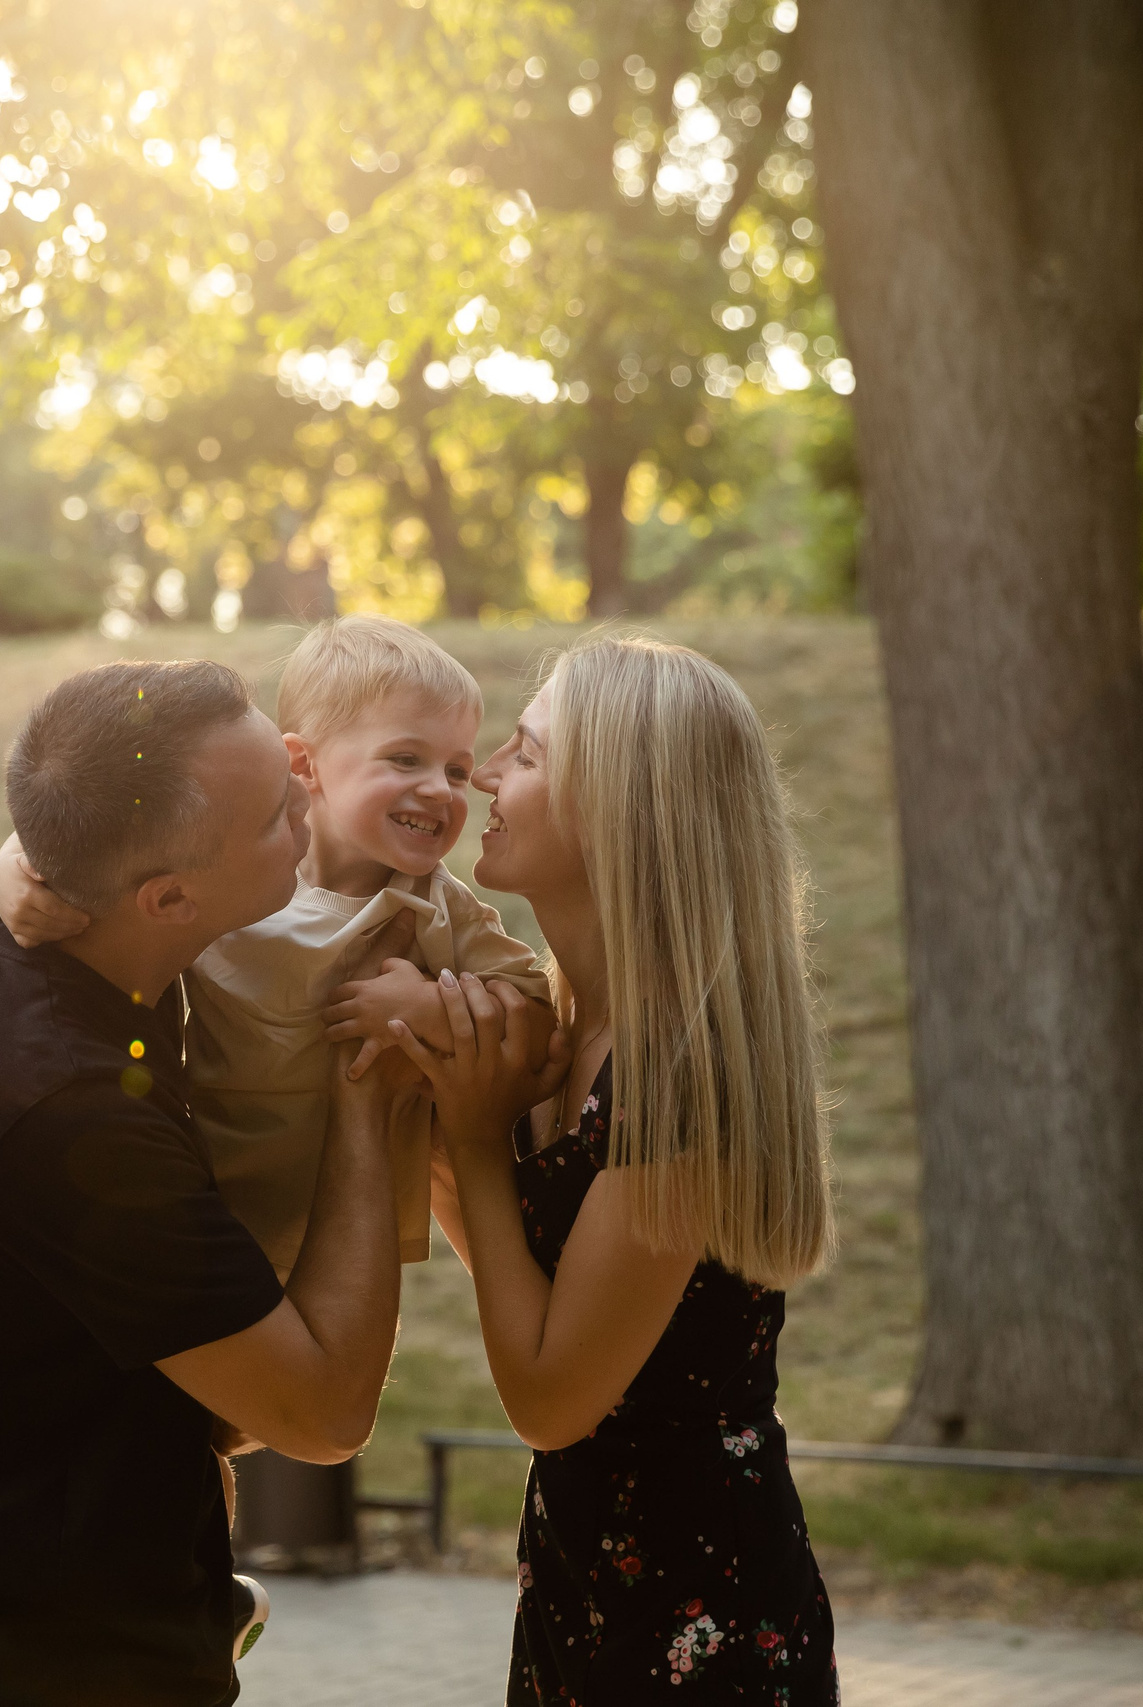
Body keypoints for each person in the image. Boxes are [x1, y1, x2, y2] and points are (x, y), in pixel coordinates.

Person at [0, 658, 418, 1706]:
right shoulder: (62, 1109)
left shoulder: (65, 938)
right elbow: (320, 1414)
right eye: (280, 812)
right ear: (168, 896)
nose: (311, 801)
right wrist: (370, 1095)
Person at [336, 634, 839, 1704]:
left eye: (524, 751)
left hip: (698, 1616)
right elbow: (541, 1295)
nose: (484, 777)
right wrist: (438, 1127)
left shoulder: (678, 1066)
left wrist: (473, 1140)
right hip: (585, 1573)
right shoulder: (572, 1025)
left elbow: (550, 1397)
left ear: (617, 803)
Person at [0, 615, 550, 1278]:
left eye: (456, 770)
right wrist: (11, 868)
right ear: (304, 764)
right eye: (406, 758)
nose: (439, 787)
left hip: (355, 1213)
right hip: (221, 1192)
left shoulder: (433, 901)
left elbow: (536, 1016)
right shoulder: (241, 877)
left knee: (342, 1350)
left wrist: (426, 1005)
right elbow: (104, 848)